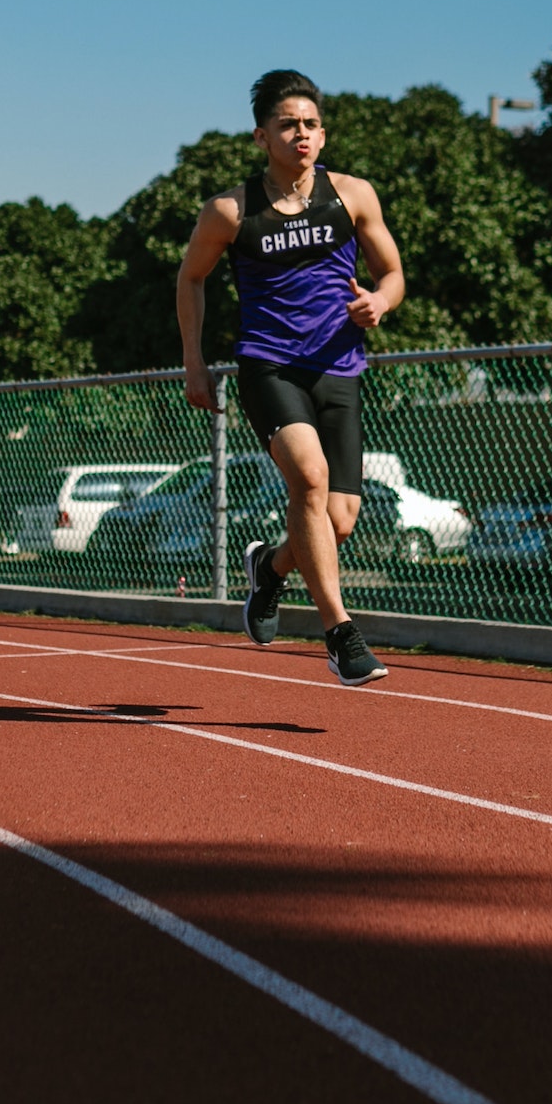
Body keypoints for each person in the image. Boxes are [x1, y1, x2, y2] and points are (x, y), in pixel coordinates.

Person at [175, 69, 406, 685]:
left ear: (323, 135)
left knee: (341, 518)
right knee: (308, 475)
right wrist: (195, 363)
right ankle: (340, 633)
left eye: (309, 124)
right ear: (261, 137)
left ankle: (272, 570)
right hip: (269, 365)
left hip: (339, 366)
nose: (299, 134)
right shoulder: (230, 210)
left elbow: (393, 274)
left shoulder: (354, 195)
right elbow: (190, 278)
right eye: (287, 125)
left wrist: (380, 302)